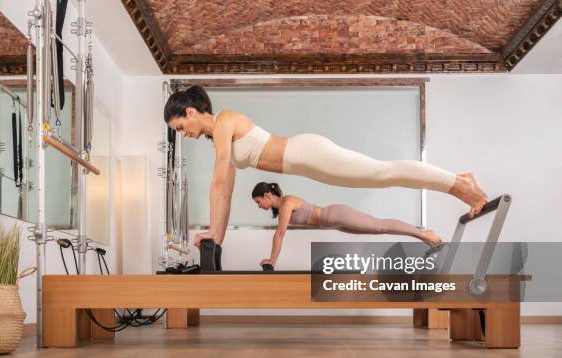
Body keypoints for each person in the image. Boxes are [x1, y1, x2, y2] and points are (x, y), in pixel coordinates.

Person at [164, 86, 488, 248]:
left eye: (180, 127)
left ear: (191, 112)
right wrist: (216, 235)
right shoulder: (219, 135)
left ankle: (458, 183)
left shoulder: (224, 121)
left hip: (306, 153)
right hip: (306, 163)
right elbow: (227, 187)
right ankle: (458, 179)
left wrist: (214, 232)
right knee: (380, 177)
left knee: (382, 172)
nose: (185, 134)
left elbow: (219, 182)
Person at [252, 182, 442, 268]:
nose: (259, 207)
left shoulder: (287, 202)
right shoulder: (283, 210)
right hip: (335, 223)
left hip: (336, 214)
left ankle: (423, 233)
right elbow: (281, 231)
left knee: (379, 226)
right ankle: (423, 236)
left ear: (267, 195)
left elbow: (280, 234)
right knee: (377, 231)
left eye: (258, 202)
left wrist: (272, 261)